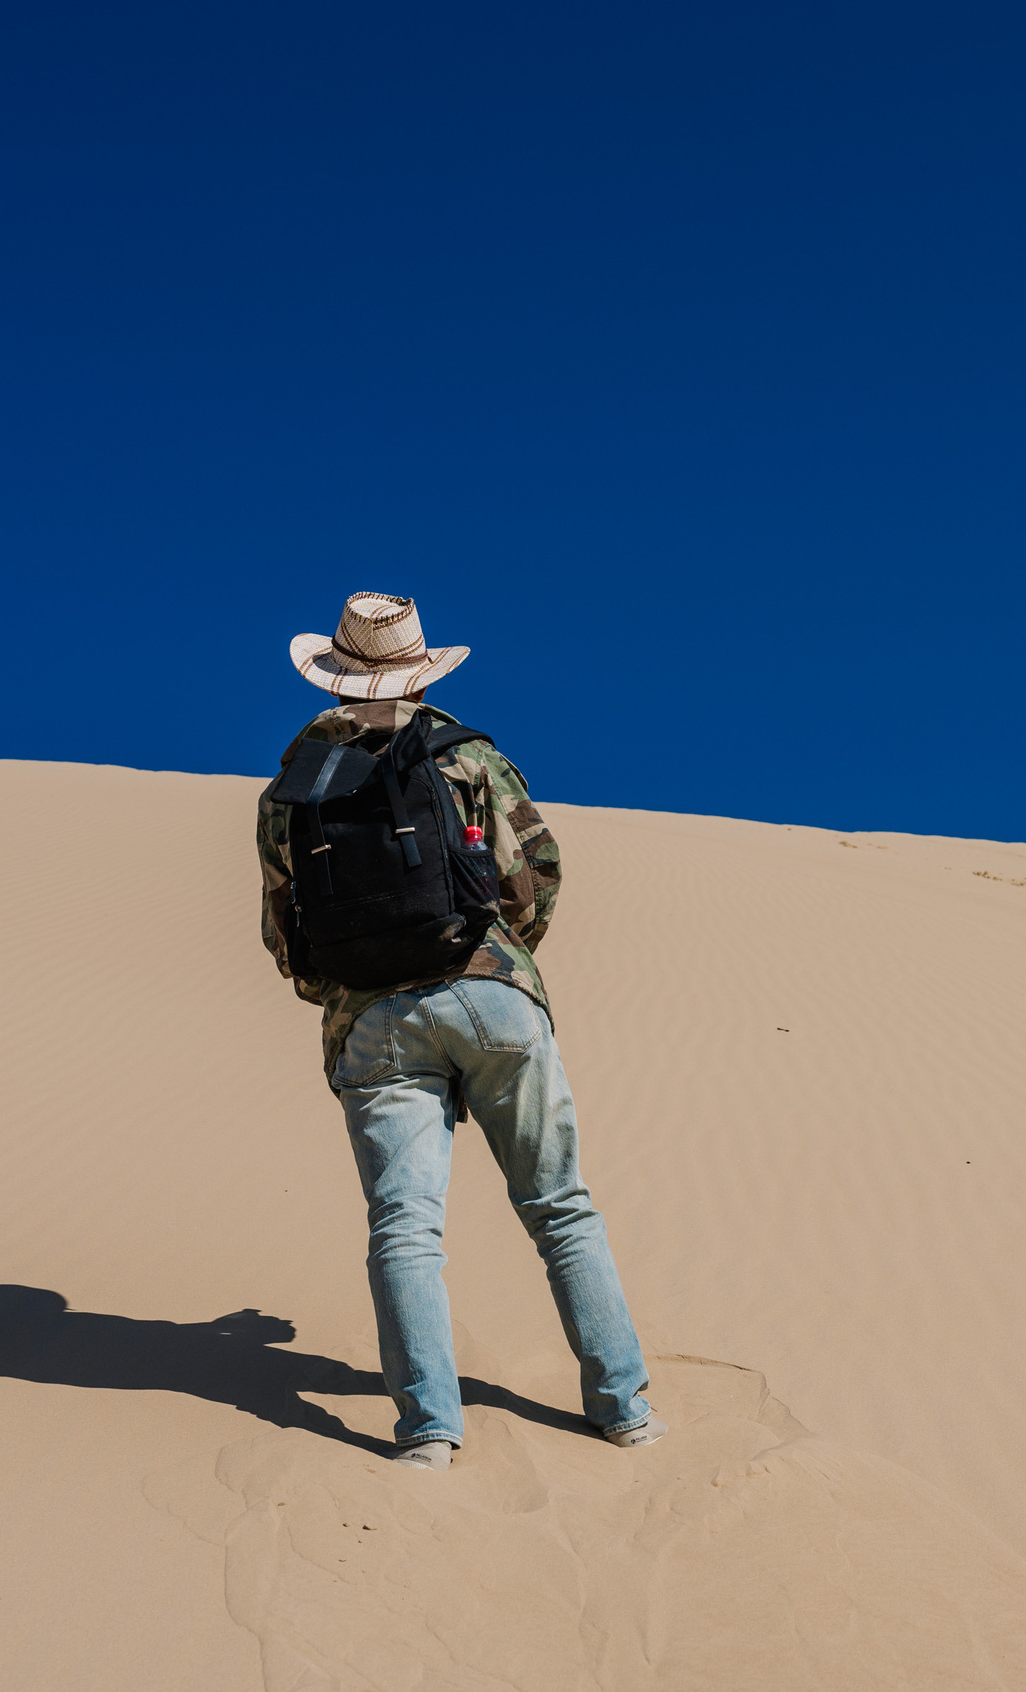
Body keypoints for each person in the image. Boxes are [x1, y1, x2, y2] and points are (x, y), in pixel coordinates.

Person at [257, 591, 663, 1470]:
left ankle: (429, 1432)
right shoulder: (466, 753)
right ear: (420, 661)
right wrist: (500, 959)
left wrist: (354, 991)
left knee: (404, 1228)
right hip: (490, 992)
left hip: (371, 1021)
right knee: (560, 1208)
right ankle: (624, 1408)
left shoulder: (294, 784)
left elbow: (284, 935)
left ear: (334, 667)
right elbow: (537, 873)